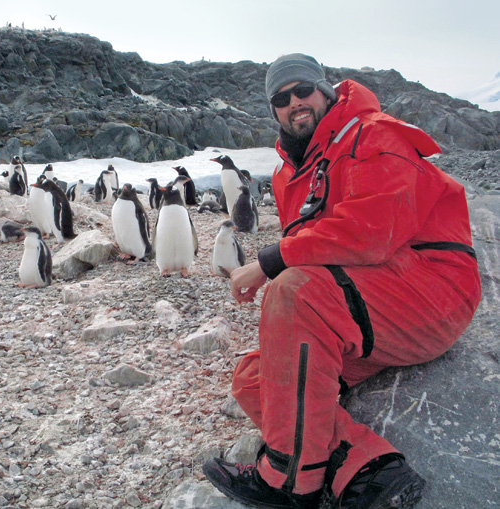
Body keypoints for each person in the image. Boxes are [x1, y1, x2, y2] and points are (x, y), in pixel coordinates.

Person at [202, 53, 482, 508]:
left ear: (325, 89)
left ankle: (290, 481)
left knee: (292, 292)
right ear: (272, 109)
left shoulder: (374, 134)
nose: (294, 102)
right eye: (281, 98)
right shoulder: (291, 173)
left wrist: (269, 261)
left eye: (302, 90)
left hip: (430, 294)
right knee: (256, 376)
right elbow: (318, 253)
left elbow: (370, 234)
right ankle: (371, 470)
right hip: (369, 308)